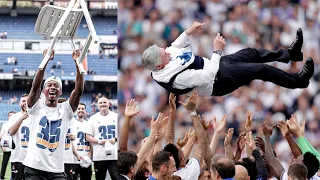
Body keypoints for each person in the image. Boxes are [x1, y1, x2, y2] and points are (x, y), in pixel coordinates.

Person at [141, 22, 314, 97]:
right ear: (159, 64)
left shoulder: (163, 60)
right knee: (260, 70)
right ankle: (298, 81)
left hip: (215, 65)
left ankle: (291, 54)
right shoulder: (174, 79)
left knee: (251, 53)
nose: (168, 53)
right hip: (219, 81)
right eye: (165, 55)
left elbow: (175, 46)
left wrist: (188, 31)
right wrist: (217, 51)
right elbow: (208, 76)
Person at [23, 49, 84, 180]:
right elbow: (35, 86)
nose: (52, 87)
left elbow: (78, 91)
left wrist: (77, 63)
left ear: (60, 92)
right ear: (44, 91)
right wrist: (45, 60)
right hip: (34, 166)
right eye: (49, 85)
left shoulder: (66, 109)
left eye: (56, 86)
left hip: (56, 169)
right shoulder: (36, 106)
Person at [85, 97, 118, 180]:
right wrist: (100, 141)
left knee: (117, 177)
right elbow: (87, 137)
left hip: (115, 156)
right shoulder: (93, 118)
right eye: (100, 103)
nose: (103, 104)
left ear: (109, 104)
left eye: (104, 102)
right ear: (97, 106)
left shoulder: (116, 116)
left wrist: (115, 139)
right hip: (99, 156)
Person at [8, 94, 30, 180]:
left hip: (32, 158)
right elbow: (11, 131)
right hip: (18, 157)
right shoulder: (14, 117)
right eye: (23, 101)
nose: (25, 103)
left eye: (27, 101)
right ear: (19, 103)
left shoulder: (36, 116)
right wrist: (22, 118)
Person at [72, 103, 92, 180]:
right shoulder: (72, 122)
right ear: (76, 110)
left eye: (83, 109)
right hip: (74, 159)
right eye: (79, 108)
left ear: (85, 111)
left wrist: (89, 155)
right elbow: (70, 142)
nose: (81, 110)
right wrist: (77, 155)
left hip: (86, 159)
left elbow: (91, 142)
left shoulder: (88, 124)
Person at [0, 111, 15, 180]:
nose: (11, 116)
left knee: (14, 163)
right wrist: (2, 145)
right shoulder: (5, 124)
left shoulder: (17, 124)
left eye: (13, 115)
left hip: (15, 147)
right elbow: (1, 135)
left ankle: (13, 177)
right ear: (8, 116)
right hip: (7, 146)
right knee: (4, 162)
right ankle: (1, 177)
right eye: (10, 115)